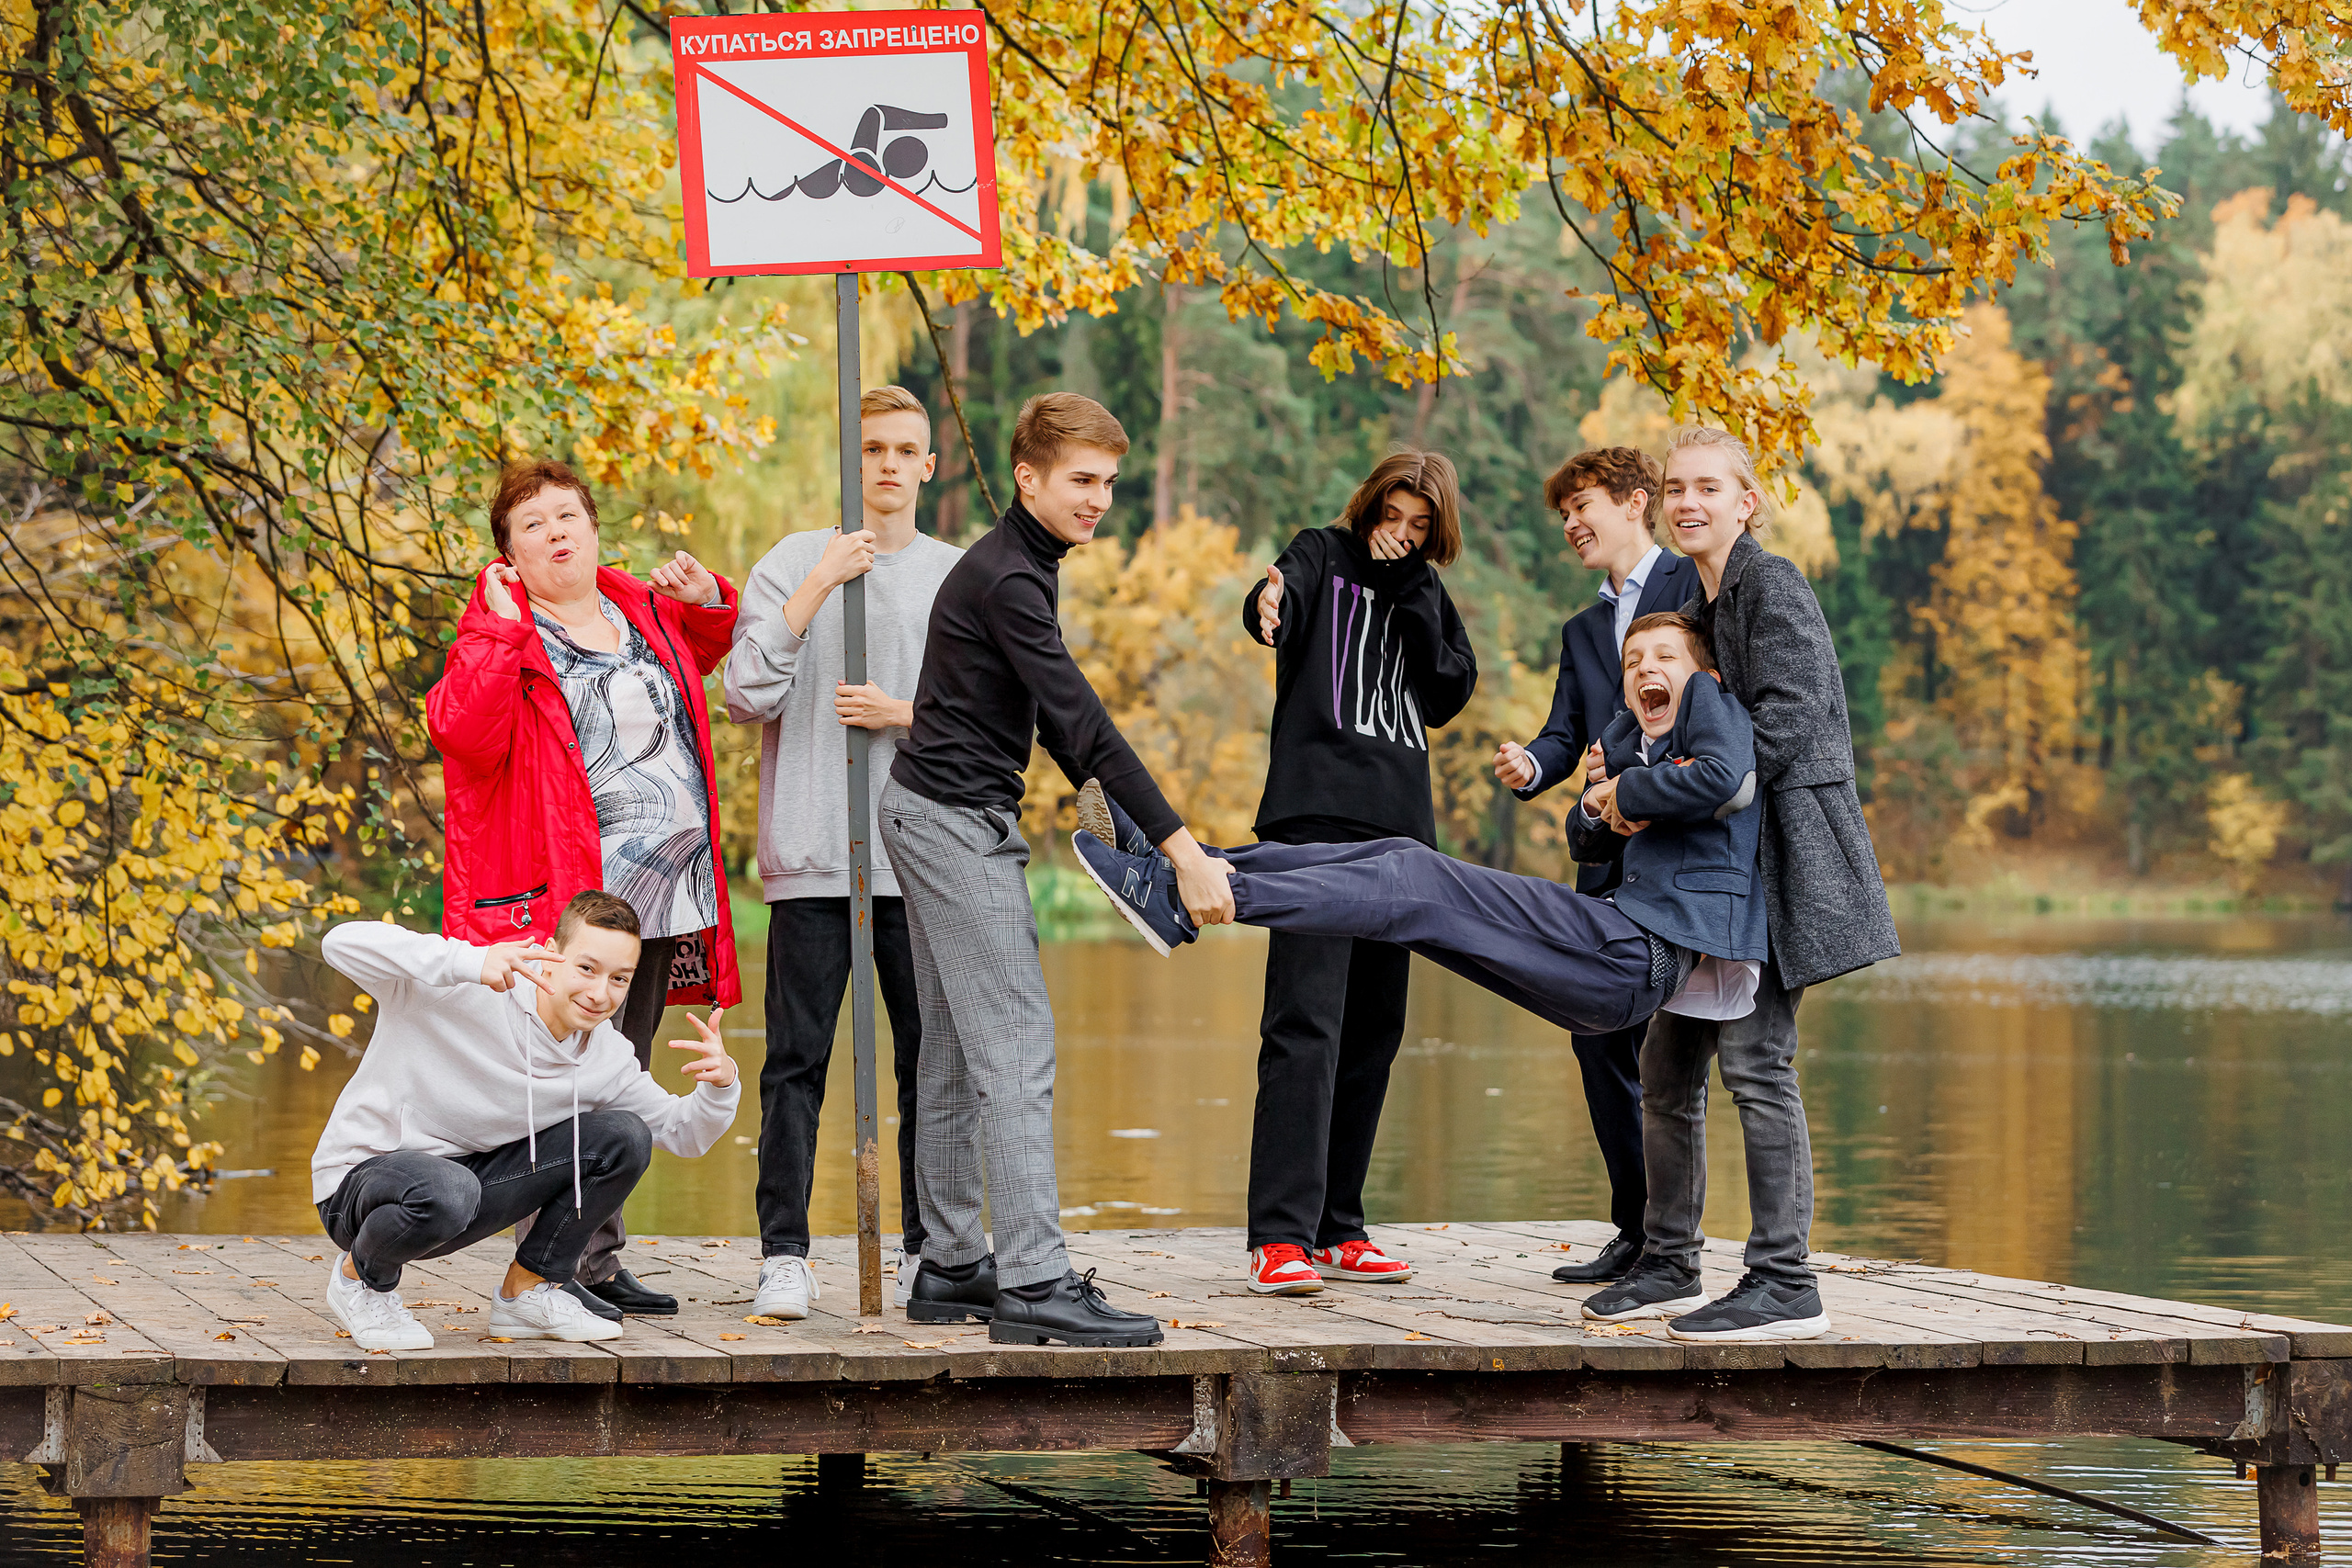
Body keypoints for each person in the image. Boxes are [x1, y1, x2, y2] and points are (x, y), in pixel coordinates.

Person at [1072, 611, 1816, 1346]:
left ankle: (1194, 894)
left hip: (1632, 952)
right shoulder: (1633, 738)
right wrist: (1599, 798)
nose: (1645, 670)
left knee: (1410, 876)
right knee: (1397, 874)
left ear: (1706, 674)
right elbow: (1584, 834)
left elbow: (1729, 777)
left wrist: (1622, 792)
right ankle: (1185, 864)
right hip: (1610, 957)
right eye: (1633, 661)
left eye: (1666, 657)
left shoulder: (1712, 710)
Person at [880, 391, 1234, 1348]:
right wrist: (1179, 846)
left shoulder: (1022, 567)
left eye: (1110, 483)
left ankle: (953, 1265)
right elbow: (1081, 720)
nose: (1098, 500)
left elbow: (1051, 723)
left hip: (933, 813)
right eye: (1082, 480)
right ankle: (1034, 1282)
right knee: (1017, 1052)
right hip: (950, 826)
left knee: (955, 1048)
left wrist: (1112, 822)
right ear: (1028, 477)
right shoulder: (1006, 577)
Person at [1581, 425, 1900, 1344]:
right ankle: (1670, 1260)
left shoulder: (1771, 584)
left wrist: (1669, 784)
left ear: (1745, 502)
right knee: (1667, 1063)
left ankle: (1785, 1281)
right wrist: (1627, 775)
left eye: (1707, 489)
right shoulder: (1697, 598)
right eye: (1676, 488)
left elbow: (1795, 719)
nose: (1687, 503)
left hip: (1780, 863)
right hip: (1715, 873)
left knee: (1758, 1064)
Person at [425, 458, 742, 1324]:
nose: (556, 532)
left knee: (621, 1067)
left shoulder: (638, 605)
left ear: (595, 528)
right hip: (571, 896)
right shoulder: (505, 629)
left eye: (568, 515)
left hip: (666, 892)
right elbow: (462, 733)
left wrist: (708, 591)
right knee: (566, 1077)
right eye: (533, 525)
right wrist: (492, 633)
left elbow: (712, 644)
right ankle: (558, 1263)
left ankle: (592, 1262)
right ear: (508, 554)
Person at [725, 386, 965, 1321]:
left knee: (927, 1061)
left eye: (907, 450)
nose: (890, 466)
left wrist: (903, 714)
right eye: (872, 449)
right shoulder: (791, 562)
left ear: (929, 465)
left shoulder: (956, 574)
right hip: (817, 850)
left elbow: (992, 718)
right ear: (848, 459)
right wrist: (822, 581)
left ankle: (928, 1252)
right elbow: (744, 691)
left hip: (919, 859)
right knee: (795, 1061)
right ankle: (784, 1254)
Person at [1233, 450, 1476, 1296]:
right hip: (1313, 821)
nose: (1398, 536)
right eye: (1390, 517)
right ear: (1368, 502)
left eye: (1418, 527)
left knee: (1374, 1029)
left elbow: (1449, 691)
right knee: (1305, 1024)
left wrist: (1411, 586)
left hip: (1400, 836)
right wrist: (1267, 601)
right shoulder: (1320, 551)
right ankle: (1279, 1237)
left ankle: (1340, 1226)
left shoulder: (1426, 592)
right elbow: (1274, 596)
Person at [310, 892, 741, 1351]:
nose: (600, 995)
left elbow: (683, 1134)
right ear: (551, 955)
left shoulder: (607, 1057)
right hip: (359, 1190)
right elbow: (341, 943)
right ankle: (361, 1280)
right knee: (450, 1188)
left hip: (463, 1193)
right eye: (587, 969)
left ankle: (527, 1290)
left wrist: (721, 1085)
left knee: (625, 1137)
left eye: (620, 978)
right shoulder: (465, 984)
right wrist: (467, 960)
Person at [1492, 446, 1700, 1288]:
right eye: (1565, 513)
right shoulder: (1582, 630)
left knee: (1673, 1052)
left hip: (1684, 853)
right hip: (1604, 858)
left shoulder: (1694, 592)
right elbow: (1562, 729)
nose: (1573, 524)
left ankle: (1673, 1243)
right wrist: (1532, 768)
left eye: (1584, 505)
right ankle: (1636, 1228)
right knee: (1596, 1036)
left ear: (1634, 503)